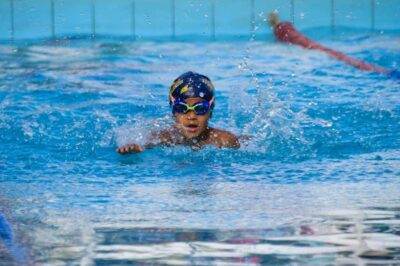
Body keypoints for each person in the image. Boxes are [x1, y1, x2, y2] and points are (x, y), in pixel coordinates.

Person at [117, 71, 240, 154]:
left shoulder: (223, 140)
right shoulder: (164, 138)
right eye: (182, 108)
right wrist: (132, 148)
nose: (191, 116)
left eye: (200, 108)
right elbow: (142, 144)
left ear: (210, 112)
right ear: (173, 112)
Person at [267, 12, 395, 75]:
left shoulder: (284, 37)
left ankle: (387, 73)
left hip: (317, 52)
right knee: (348, 60)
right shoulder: (293, 33)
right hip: (323, 49)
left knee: (349, 61)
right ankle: (388, 73)